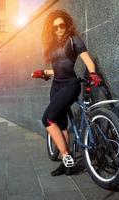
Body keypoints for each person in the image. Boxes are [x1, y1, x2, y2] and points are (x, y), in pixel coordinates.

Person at [31, 9, 102, 176]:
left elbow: (88, 61)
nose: (58, 29)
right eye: (54, 27)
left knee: (47, 119)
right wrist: (44, 73)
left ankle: (66, 156)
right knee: (61, 124)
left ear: (67, 25)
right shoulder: (52, 44)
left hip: (70, 86)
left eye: (61, 26)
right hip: (56, 86)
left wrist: (93, 73)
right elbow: (59, 69)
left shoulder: (73, 40)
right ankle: (67, 165)